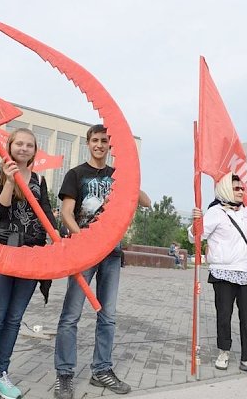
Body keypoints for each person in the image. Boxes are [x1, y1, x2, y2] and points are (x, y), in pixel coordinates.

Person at [53, 124, 150, 399]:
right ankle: (64, 374)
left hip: (111, 254)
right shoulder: (76, 174)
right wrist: (82, 238)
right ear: (88, 143)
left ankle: (102, 370)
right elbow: (66, 213)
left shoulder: (117, 175)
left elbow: (146, 202)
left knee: (108, 315)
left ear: (110, 145)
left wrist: (130, 180)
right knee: (71, 315)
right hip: (84, 252)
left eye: (104, 141)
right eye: (95, 140)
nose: (99, 145)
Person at [0, 128, 57, 399]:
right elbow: (0, 208)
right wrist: (9, 180)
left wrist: (57, 241)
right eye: (19, 143)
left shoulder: (39, 179)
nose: (24, 148)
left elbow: (44, 213)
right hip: (4, 252)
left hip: (31, 255)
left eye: (29, 145)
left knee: (14, 319)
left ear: (34, 151)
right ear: (9, 146)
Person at [188, 173, 247, 378]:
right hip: (223, 271)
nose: (241, 191)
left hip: (246, 272)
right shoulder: (215, 212)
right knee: (224, 315)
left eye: (242, 188)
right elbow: (195, 236)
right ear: (225, 190)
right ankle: (223, 352)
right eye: (236, 188)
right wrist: (195, 222)